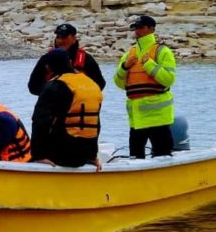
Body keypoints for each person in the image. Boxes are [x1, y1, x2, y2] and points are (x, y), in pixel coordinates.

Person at [113, 15, 176, 158]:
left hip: (158, 118)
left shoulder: (162, 51)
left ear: (151, 29)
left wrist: (149, 64)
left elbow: (169, 80)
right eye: (135, 28)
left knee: (163, 156)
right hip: (137, 119)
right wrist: (124, 67)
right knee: (135, 159)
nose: (137, 31)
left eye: (141, 27)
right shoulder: (129, 54)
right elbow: (119, 83)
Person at [31, 48, 103, 170]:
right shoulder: (92, 84)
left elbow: (40, 121)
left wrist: (38, 155)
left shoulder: (54, 86)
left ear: (48, 68)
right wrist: (92, 156)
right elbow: (95, 124)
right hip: (85, 155)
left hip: (63, 156)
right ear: (69, 62)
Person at [27, 22, 105, 96]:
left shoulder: (86, 59)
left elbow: (100, 83)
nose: (60, 41)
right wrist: (53, 92)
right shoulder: (46, 59)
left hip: (79, 102)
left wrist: (79, 92)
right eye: (58, 37)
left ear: (74, 39)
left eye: (64, 37)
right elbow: (33, 87)